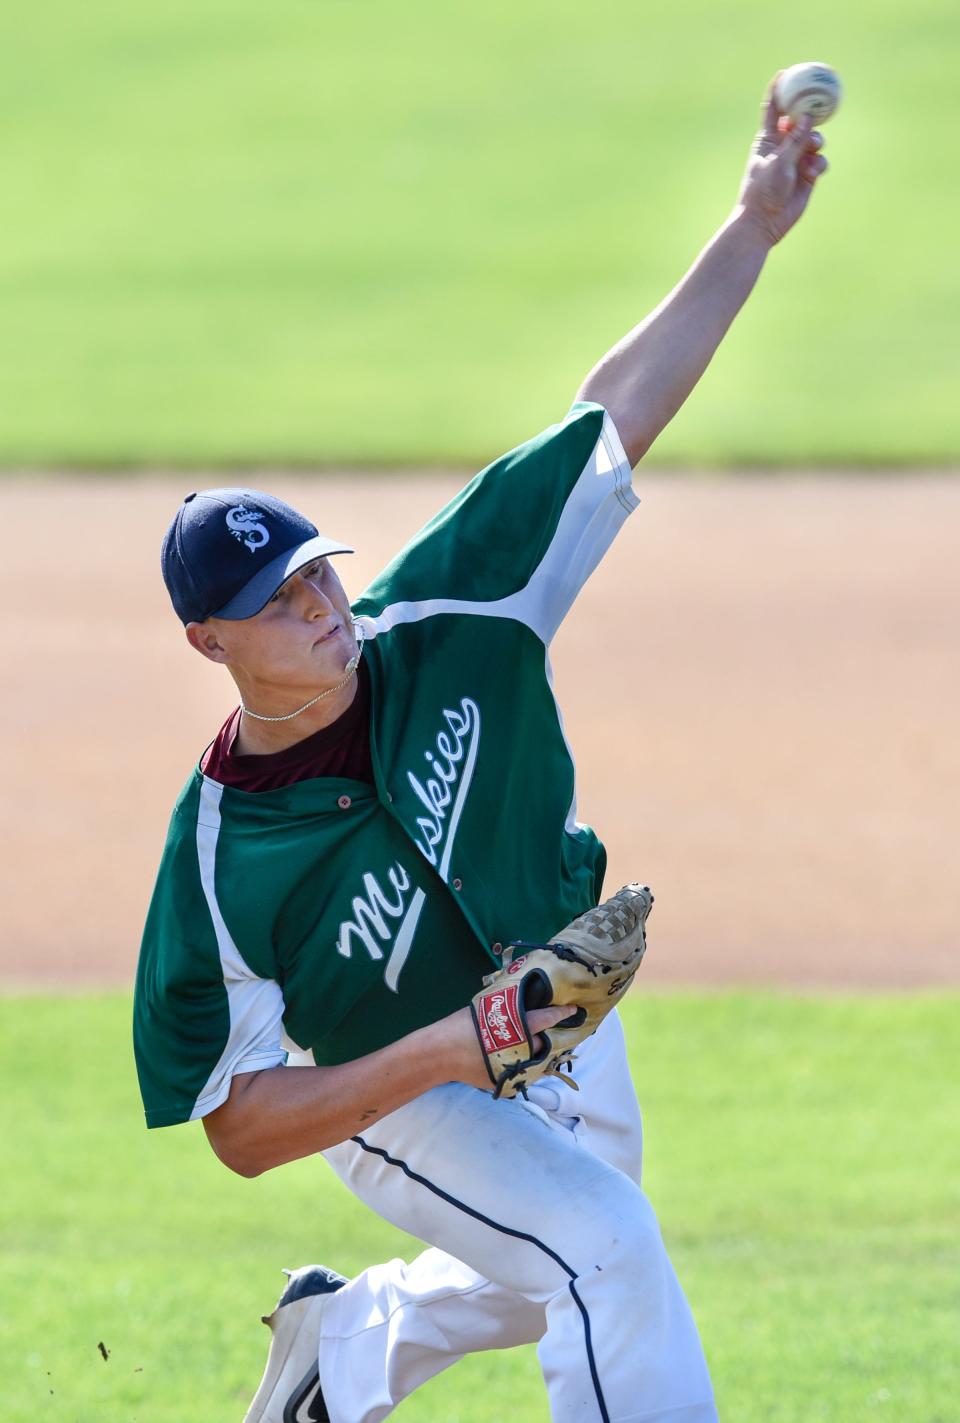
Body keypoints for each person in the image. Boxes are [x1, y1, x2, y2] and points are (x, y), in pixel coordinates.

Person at [134, 76, 829, 1423]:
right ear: (210, 644)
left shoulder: (448, 610)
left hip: (564, 1006)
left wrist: (752, 229)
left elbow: (606, 419)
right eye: (278, 605)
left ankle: (340, 1356)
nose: (322, 609)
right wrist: (457, 1045)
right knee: (605, 1253)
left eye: (320, 576)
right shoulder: (222, 864)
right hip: (402, 1093)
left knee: (549, 1266)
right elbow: (242, 1128)